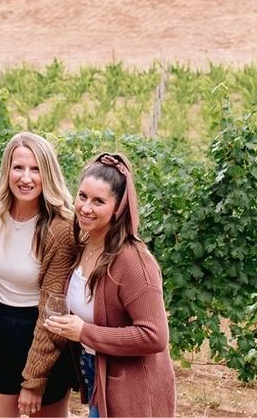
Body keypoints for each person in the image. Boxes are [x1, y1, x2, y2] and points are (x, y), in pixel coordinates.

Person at [44, 151, 176, 418]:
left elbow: (155, 335)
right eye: (82, 196)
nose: (86, 207)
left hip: (134, 391)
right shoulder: (84, 246)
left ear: (118, 208)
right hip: (99, 378)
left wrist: (84, 332)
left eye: (99, 201)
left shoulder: (133, 262)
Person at [0, 132, 75, 418]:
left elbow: (53, 311)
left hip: (43, 338)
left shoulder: (61, 228)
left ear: (49, 174)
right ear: (7, 170)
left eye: (36, 169)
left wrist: (34, 380)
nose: (26, 178)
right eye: (18, 168)